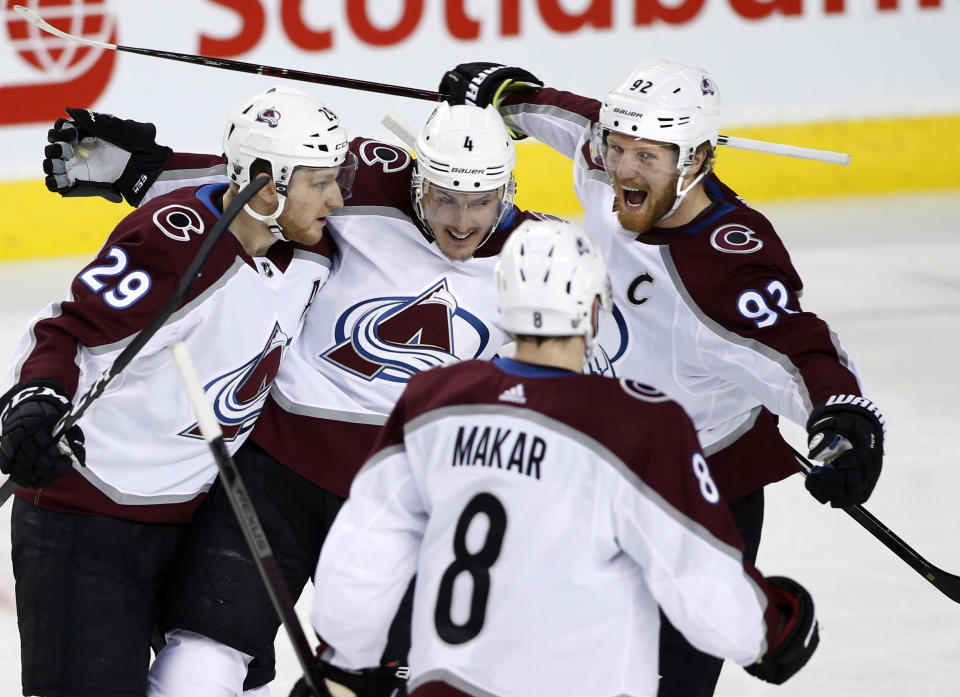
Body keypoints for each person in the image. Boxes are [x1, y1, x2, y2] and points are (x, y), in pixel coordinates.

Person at [42, 101, 561, 695]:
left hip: (408, 498)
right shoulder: (365, 177)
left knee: (388, 679)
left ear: (510, 188)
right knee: (206, 654)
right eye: (443, 196)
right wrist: (146, 172)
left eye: (482, 199)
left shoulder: (545, 257)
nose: (462, 220)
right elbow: (265, 181)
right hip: (274, 477)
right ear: (416, 179)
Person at [437, 59, 885, 697]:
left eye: (647, 156)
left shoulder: (726, 264)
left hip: (695, 492)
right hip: (586, 464)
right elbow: (576, 121)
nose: (622, 169)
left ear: (697, 157)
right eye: (619, 149)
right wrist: (511, 98)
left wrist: (845, 416)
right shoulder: (609, 159)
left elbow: (797, 346)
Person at [302, 219, 820, 697]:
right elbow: (694, 572)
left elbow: (366, 547)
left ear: (504, 305)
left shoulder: (434, 399)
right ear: (595, 311)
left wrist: (345, 662)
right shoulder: (638, 424)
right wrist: (768, 630)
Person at [0, 85, 352, 697]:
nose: (337, 198)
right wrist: (34, 402)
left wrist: (149, 167)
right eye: (320, 182)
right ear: (269, 186)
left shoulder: (311, 254)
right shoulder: (177, 243)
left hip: (192, 522)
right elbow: (65, 330)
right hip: (88, 523)